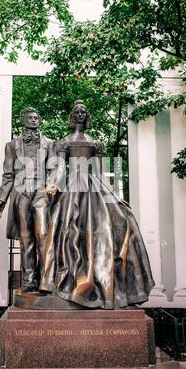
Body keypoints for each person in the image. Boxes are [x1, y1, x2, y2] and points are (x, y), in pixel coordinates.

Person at [39, 100, 155, 309]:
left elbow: (100, 174)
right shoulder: (64, 142)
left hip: (92, 186)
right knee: (67, 229)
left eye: (84, 111)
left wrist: (116, 196)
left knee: (122, 220)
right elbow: (60, 170)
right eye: (78, 111)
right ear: (72, 116)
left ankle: (104, 282)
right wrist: (54, 184)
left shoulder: (96, 143)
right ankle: (61, 279)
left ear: (87, 116)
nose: (81, 114)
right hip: (72, 187)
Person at [0, 108, 53, 293]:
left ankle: (46, 279)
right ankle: (29, 281)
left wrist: (52, 184)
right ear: (22, 119)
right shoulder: (11, 146)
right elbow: (8, 175)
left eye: (37, 117)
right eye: (30, 117)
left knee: (43, 235)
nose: (34, 119)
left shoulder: (50, 144)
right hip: (21, 192)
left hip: (42, 191)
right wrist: (1, 200)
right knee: (26, 238)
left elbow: (55, 168)